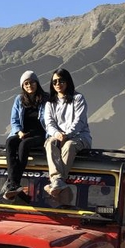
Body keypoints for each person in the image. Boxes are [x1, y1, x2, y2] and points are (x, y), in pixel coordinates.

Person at [43, 68, 92, 197]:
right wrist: (57, 134)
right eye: (55, 82)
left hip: (79, 136)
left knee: (69, 146)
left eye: (61, 80)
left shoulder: (78, 98)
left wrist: (67, 135)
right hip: (58, 136)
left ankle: (57, 181)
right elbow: (49, 123)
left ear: (68, 81)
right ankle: (57, 180)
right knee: (50, 143)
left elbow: (80, 121)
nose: (58, 84)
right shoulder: (49, 103)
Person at [2, 70, 47, 199]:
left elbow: (49, 119)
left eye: (32, 82)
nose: (29, 85)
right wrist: (19, 131)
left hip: (40, 134)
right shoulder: (19, 99)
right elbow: (14, 119)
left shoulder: (45, 99)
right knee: (10, 142)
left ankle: (13, 183)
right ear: (22, 86)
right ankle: (14, 184)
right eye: (26, 83)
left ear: (37, 83)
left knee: (24, 145)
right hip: (22, 132)